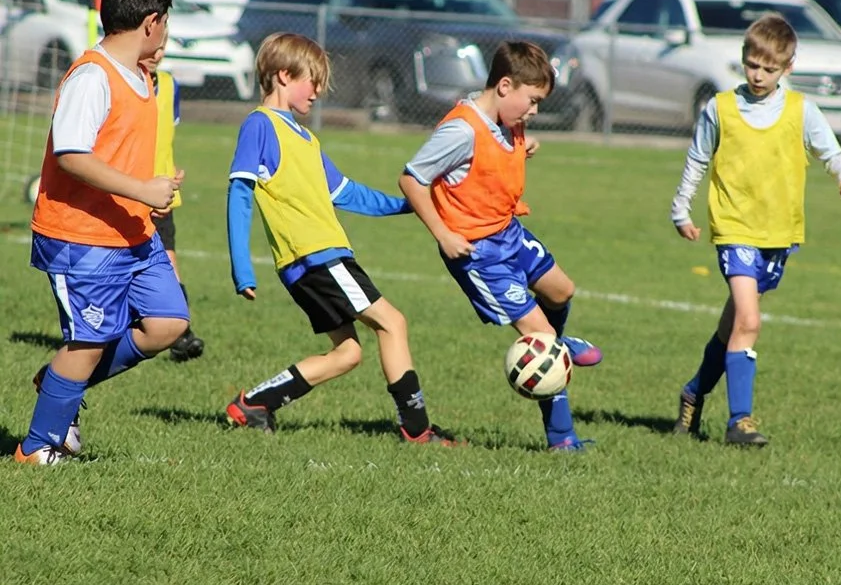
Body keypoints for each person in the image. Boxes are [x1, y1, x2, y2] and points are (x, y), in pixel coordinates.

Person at [225, 32, 458, 445]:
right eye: (311, 80)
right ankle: (417, 430)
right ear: (283, 76)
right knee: (393, 323)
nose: (318, 91)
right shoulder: (260, 126)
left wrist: (410, 203)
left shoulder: (304, 137)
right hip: (317, 258)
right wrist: (242, 268)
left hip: (314, 262)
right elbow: (240, 192)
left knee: (348, 354)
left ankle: (255, 404)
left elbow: (347, 193)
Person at [17, 0, 188, 465]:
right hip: (83, 237)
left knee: (167, 322)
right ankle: (36, 447)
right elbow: (72, 154)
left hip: (133, 232)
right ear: (152, 21)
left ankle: (57, 383)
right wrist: (141, 187)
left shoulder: (140, 73)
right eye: (167, 21)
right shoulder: (92, 76)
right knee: (89, 341)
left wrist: (151, 189)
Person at [398, 40, 602, 452]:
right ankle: (562, 435)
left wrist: (522, 147)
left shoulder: (507, 123)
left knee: (562, 291)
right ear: (505, 86)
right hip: (478, 253)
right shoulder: (461, 130)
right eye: (532, 100)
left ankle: (553, 347)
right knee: (542, 336)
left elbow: (490, 164)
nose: (534, 112)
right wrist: (443, 234)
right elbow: (411, 178)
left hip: (508, 233)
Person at [669, 13, 841, 446]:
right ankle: (740, 421)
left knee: (733, 326)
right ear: (743, 60)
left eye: (769, 69)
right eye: (751, 65)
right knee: (751, 320)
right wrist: (681, 209)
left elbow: (831, 151)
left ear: (787, 68)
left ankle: (694, 392)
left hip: (778, 234)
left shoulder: (801, 110)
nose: (758, 75)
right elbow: (697, 160)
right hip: (735, 228)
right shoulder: (719, 108)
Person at [141, 44, 205, 363]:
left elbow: (165, 138)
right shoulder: (121, 84)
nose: (157, 52)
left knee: (168, 261)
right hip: (128, 193)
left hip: (162, 196)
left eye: (162, 47)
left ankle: (181, 334)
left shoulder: (168, 85)